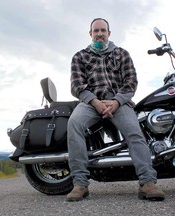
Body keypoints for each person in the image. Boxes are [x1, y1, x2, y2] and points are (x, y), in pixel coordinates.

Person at [66, 18, 165, 202]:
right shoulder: (80, 56)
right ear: (90, 34)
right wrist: (95, 102)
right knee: (74, 125)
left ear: (109, 33)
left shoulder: (122, 54)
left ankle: (147, 183)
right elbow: (77, 86)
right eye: (96, 31)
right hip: (90, 103)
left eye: (103, 30)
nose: (100, 34)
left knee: (135, 132)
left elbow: (131, 82)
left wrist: (117, 102)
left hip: (119, 103)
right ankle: (80, 184)